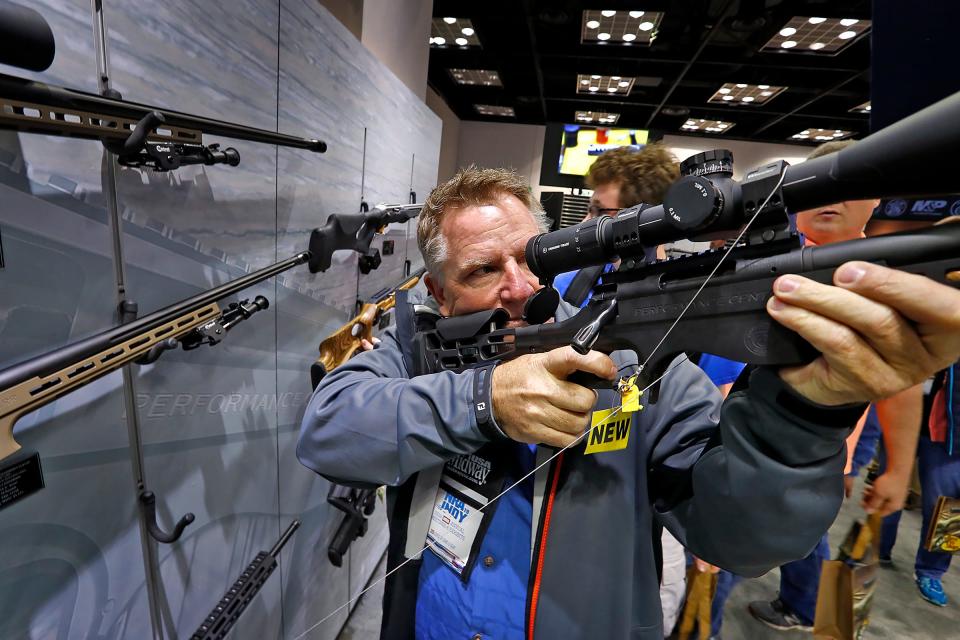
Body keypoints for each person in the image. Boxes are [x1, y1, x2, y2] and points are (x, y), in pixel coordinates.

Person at [296, 166, 960, 640]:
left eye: (530, 258)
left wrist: (804, 415)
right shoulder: (412, 340)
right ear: (438, 296)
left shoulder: (631, 359)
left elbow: (746, 541)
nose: (521, 285)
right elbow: (327, 430)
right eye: (482, 270)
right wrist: (483, 399)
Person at [745, 140, 924, 633]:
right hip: (743, 437)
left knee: (801, 533)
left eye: (853, 187)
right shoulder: (766, 258)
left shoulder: (889, 277)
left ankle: (803, 607)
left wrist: (892, 467)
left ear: (876, 200)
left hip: (822, 452)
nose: (832, 197)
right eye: (819, 183)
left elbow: (902, 382)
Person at [552, 144, 677, 307]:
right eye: (590, 210)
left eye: (598, 211)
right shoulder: (567, 285)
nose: (584, 222)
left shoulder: (687, 294)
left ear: (644, 217)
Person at [878, 358, 960, 606]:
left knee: (950, 508)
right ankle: (876, 548)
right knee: (885, 487)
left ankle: (932, 572)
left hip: (951, 434)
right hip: (902, 411)